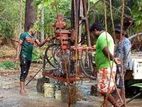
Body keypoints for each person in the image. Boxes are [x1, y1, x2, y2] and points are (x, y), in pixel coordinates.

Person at [90, 22, 122, 107]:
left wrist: (113, 58)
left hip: (105, 67)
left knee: (103, 90)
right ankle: (107, 105)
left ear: (96, 30)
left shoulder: (102, 37)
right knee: (108, 89)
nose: (92, 36)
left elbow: (105, 50)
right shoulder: (106, 36)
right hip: (107, 66)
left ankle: (116, 105)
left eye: (92, 33)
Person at [16, 24, 50, 95]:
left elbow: (40, 45)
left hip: (29, 57)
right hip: (23, 55)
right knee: (24, 72)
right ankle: (21, 89)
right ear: (31, 28)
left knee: (26, 72)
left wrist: (46, 40)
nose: (35, 30)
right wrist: (17, 56)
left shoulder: (34, 38)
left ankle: (23, 88)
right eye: (34, 29)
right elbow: (19, 45)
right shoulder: (24, 35)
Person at [114, 25, 131, 105]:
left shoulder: (126, 41)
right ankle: (121, 100)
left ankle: (118, 100)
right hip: (118, 65)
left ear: (119, 34)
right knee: (121, 83)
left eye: (116, 33)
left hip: (122, 65)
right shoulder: (119, 42)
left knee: (120, 83)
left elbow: (127, 54)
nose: (115, 35)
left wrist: (124, 66)